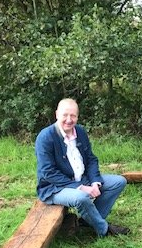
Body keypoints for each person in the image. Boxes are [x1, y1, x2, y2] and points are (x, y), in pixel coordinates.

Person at [35, 98, 129, 237]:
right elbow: (48, 172)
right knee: (81, 198)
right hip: (55, 187)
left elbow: (91, 159)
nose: (69, 119)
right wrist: (80, 187)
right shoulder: (45, 137)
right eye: (65, 115)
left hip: (82, 179)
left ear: (77, 116)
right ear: (56, 114)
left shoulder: (80, 132)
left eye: (73, 115)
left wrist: (95, 182)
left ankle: (87, 221)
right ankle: (104, 230)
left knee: (118, 181)